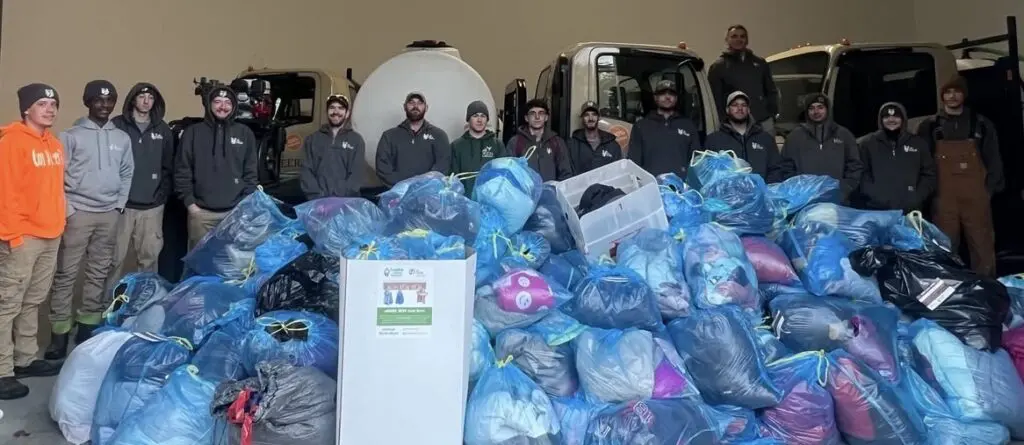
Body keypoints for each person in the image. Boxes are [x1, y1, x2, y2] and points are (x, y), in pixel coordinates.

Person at [46, 80, 134, 359]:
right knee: (66, 274)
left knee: (99, 271)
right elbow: (57, 175)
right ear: (88, 102)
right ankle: (59, 333)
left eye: (109, 101)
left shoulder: (121, 138)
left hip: (108, 214)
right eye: (98, 100)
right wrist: (69, 208)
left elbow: (127, 173)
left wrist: (119, 206)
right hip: (78, 213)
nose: (104, 106)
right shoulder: (70, 136)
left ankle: (87, 326)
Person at [0, 83, 66, 398]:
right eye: (42, 104)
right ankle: (2, 370)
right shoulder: (11, 141)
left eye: (53, 104)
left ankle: (24, 359)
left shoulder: (54, 144)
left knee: (32, 301)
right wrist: (11, 236)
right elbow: (5, 193)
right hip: (22, 237)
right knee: (7, 304)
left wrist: (59, 223)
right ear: (27, 109)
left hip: (50, 234)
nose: (50, 109)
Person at [918, 76, 1004, 276]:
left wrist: (989, 190)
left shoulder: (981, 124)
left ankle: (986, 290)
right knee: (944, 245)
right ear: (942, 96)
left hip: (976, 197)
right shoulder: (929, 126)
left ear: (964, 94)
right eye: (947, 92)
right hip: (943, 197)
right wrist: (928, 192)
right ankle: (950, 289)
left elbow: (994, 159)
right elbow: (923, 163)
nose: (952, 96)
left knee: (982, 245)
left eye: (957, 91)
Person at [104, 83, 174, 295]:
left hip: (152, 207)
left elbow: (168, 165)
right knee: (113, 258)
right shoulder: (116, 126)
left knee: (149, 257)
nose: (146, 101)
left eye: (150, 98)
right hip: (121, 206)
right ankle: (106, 303)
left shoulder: (162, 129)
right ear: (132, 99)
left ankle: (145, 300)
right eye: (141, 96)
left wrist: (161, 195)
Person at [174, 85, 258, 250]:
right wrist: (191, 205)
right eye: (218, 101)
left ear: (233, 106)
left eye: (227, 102)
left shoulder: (245, 133)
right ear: (209, 104)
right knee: (199, 264)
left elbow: (251, 173)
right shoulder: (193, 133)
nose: (223, 106)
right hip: (201, 215)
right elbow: (182, 170)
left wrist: (244, 205)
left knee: (232, 265)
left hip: (235, 213)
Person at [780, 93, 862, 203]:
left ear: (827, 109)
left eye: (820, 107)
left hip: (838, 201)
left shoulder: (844, 135)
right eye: (811, 108)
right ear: (807, 111)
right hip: (804, 202)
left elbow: (854, 166)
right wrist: (797, 191)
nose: (816, 112)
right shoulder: (795, 136)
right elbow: (785, 166)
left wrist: (844, 189)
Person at [856, 102, 936, 212]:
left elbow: (929, 174)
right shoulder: (867, 143)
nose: (891, 120)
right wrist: (875, 196)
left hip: (910, 210)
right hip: (876, 210)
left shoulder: (918, 143)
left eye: (896, 116)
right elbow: (861, 173)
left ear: (903, 119)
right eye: (886, 117)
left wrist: (916, 197)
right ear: (880, 120)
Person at [704, 91, 793, 183]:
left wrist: (764, 189)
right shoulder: (714, 140)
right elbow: (707, 173)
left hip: (762, 195)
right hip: (727, 196)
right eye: (735, 105)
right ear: (727, 109)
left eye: (744, 105)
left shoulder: (765, 139)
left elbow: (777, 169)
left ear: (748, 110)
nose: (740, 108)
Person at [707, 24, 779, 136]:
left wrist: (772, 114)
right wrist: (724, 121)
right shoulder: (718, 66)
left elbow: (771, 90)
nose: (738, 39)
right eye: (734, 36)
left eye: (742, 36)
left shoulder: (760, 63)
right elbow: (715, 99)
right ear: (727, 40)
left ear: (747, 40)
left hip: (763, 122)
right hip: (734, 125)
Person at [375, 92, 451, 187]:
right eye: (411, 103)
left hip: (428, 195)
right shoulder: (389, 136)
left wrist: (423, 187)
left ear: (426, 108)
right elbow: (383, 167)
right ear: (404, 107)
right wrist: (402, 187)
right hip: (397, 195)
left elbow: (442, 166)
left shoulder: (439, 136)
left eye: (420, 103)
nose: (415, 106)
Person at [627, 80, 700, 176]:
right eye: (662, 94)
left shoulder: (688, 125)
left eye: (671, 94)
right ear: (655, 98)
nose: (667, 97)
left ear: (676, 98)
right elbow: (634, 162)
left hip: (682, 187)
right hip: (651, 186)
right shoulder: (641, 126)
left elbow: (696, 161)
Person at [300, 94, 365, 199]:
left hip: (346, 202)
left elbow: (357, 174)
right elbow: (306, 171)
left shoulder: (356, 140)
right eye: (332, 108)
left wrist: (339, 197)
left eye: (340, 108)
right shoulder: (312, 139)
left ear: (347, 113)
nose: (336, 112)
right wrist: (317, 196)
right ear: (327, 112)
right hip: (318, 203)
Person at [507, 99, 573, 181]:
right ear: (526, 118)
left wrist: (554, 191)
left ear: (546, 117)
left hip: (551, 192)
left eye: (541, 113)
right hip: (525, 193)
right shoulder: (515, 142)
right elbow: (509, 173)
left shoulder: (557, 142)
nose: (537, 117)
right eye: (532, 113)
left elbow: (566, 174)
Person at [450, 100, 507, 195]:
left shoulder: (497, 145)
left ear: (487, 119)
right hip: (465, 202)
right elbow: (452, 177)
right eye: (475, 116)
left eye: (483, 116)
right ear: (468, 119)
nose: (479, 120)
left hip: (489, 201)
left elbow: (503, 175)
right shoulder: (456, 146)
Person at [566, 101, 622, 174]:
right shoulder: (571, 145)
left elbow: (618, 173)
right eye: (586, 115)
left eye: (594, 114)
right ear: (582, 118)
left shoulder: (613, 145)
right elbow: (568, 173)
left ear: (599, 117)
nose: (590, 118)